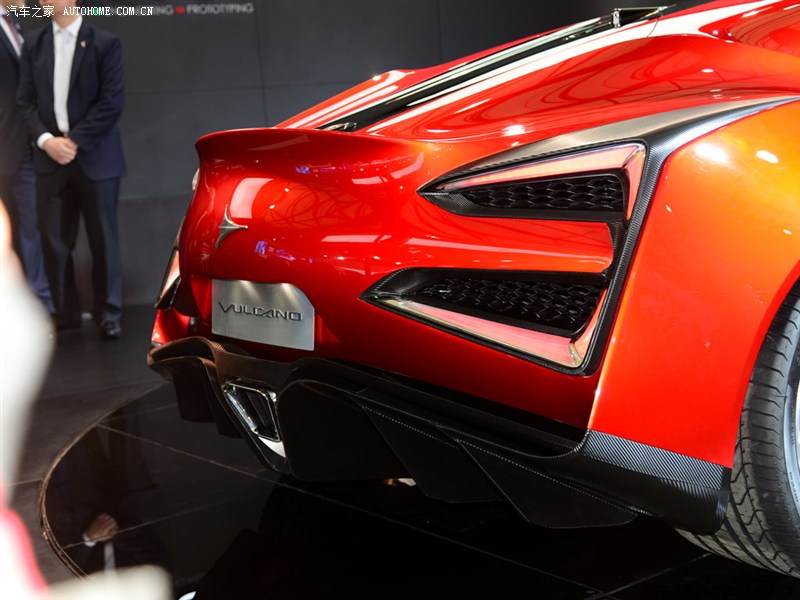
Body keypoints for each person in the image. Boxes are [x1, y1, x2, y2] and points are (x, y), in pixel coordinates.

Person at [17, 0, 126, 339]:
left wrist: (74, 141)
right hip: (49, 157)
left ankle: (109, 314)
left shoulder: (105, 42)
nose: (44, 0)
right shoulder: (33, 43)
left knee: (102, 239)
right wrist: (47, 140)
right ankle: (64, 314)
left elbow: (112, 101)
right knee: (54, 240)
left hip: (96, 156)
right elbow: (25, 100)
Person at [0, 5, 53, 313]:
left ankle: (39, 304)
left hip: (26, 148)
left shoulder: (16, 24)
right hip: (5, 145)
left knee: (31, 228)